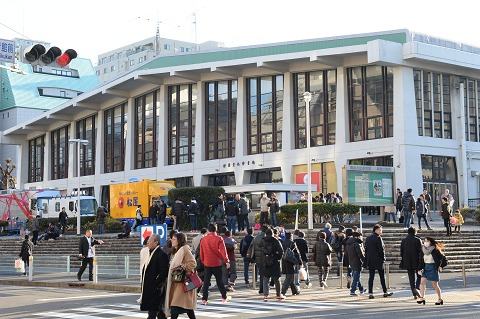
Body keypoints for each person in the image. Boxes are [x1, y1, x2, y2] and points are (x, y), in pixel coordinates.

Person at [165, 232, 197, 319]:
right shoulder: (176, 250)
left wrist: (182, 267)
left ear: (179, 240)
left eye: (174, 239)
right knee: (187, 307)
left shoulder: (184, 249)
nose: (172, 241)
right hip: (178, 281)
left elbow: (193, 263)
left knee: (176, 305)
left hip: (183, 281)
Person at [199, 223, 231, 304]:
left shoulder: (204, 239)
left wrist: (203, 260)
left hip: (207, 262)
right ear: (216, 229)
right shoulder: (219, 238)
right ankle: (224, 297)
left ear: (209, 229)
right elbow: (223, 251)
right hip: (216, 262)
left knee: (206, 282)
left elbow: (201, 252)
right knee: (219, 281)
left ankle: (204, 299)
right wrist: (226, 261)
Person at [139, 234, 169, 319]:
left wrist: (156, 283)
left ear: (156, 242)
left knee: (152, 311)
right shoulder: (151, 253)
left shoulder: (161, 254)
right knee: (158, 311)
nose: (148, 243)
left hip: (156, 289)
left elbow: (164, 272)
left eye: (149, 241)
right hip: (150, 287)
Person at [417, 236, 448, 305]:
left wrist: (441, 266)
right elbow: (420, 260)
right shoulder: (422, 250)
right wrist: (419, 268)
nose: (426, 243)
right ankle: (422, 297)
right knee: (422, 282)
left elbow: (444, 259)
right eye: (424, 241)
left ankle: (440, 299)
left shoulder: (435, 250)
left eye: (427, 241)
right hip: (425, 267)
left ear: (431, 242)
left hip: (433, 267)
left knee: (434, 284)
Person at [364, 224, 393, 299]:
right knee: (382, 276)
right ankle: (385, 291)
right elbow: (381, 250)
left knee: (371, 277)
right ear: (376, 230)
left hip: (370, 260)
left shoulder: (368, 238)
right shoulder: (378, 238)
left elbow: (366, 249)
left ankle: (370, 293)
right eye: (380, 230)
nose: (381, 231)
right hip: (378, 260)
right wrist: (383, 258)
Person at [260, 228, 283, 301]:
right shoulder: (276, 240)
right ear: (272, 233)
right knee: (276, 279)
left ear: (266, 234)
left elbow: (261, 249)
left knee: (266, 278)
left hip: (265, 261)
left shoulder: (263, 240)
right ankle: (278, 294)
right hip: (274, 261)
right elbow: (281, 251)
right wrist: (278, 257)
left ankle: (265, 295)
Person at [400, 227, 422, 299]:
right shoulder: (418, 240)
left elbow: (402, 252)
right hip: (417, 260)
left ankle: (414, 294)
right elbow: (421, 252)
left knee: (411, 277)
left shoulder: (404, 240)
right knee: (419, 275)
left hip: (407, 261)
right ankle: (417, 287)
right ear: (415, 232)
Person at [280, 232, 300, 297]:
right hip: (291, 262)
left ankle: (295, 291)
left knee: (290, 277)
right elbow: (297, 253)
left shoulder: (283, 243)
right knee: (289, 277)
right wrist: (300, 262)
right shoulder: (292, 243)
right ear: (291, 236)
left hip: (284, 261)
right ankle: (283, 291)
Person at [346, 232, 365, 296]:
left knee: (356, 276)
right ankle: (352, 291)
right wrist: (364, 261)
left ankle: (361, 289)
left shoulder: (348, 243)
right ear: (357, 237)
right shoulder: (356, 244)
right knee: (356, 277)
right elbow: (360, 254)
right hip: (357, 262)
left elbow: (346, 253)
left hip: (351, 261)